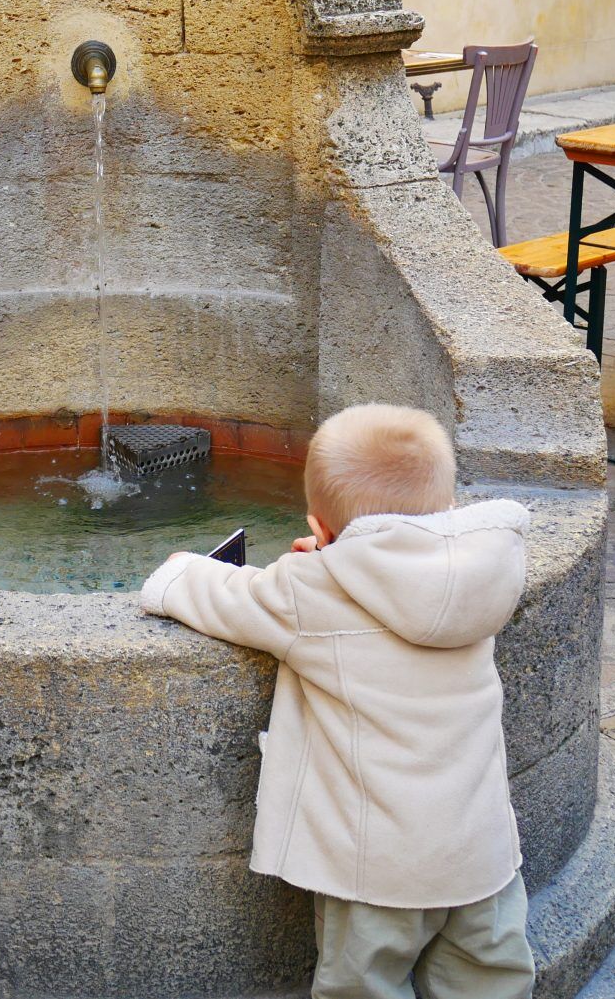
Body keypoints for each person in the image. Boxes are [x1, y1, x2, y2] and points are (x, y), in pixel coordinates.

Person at [139, 403, 535, 999]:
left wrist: (182, 569)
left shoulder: (309, 590)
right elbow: (399, 576)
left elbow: (222, 594)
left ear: (319, 530)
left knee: (363, 985)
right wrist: (336, 560)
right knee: (487, 982)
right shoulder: (484, 575)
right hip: (480, 857)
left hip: (375, 872)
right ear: (448, 511)